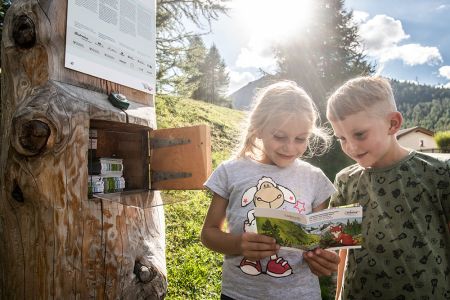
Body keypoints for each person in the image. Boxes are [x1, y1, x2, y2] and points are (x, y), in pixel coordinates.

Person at [201, 81, 341, 300]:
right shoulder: (230, 171)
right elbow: (209, 233)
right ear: (258, 128)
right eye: (279, 136)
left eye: (300, 139)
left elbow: (321, 243)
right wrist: (238, 243)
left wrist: (323, 260)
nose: (290, 147)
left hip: (301, 295)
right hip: (240, 294)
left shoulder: (314, 179)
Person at [326, 76, 450, 300]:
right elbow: (344, 247)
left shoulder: (439, 172)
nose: (351, 147)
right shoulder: (345, 180)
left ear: (393, 123)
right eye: (341, 138)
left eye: (360, 134)